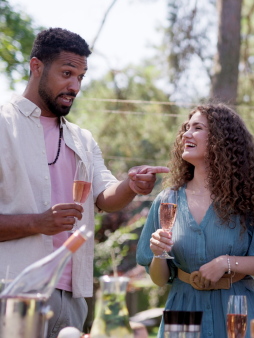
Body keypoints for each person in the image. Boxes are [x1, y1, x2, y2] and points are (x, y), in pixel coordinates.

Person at [0, 27, 168, 337]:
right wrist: (38, 222)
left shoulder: (82, 139)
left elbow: (106, 196)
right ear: (36, 67)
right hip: (13, 292)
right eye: (67, 73)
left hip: (72, 296)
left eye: (80, 77)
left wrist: (131, 185)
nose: (74, 85)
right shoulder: (3, 125)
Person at [137, 104, 254, 338]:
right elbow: (159, 280)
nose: (186, 134)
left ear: (222, 140)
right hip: (182, 308)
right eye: (186, 128)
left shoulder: (250, 199)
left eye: (197, 128)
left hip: (237, 308)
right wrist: (158, 253)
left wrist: (226, 262)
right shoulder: (167, 201)